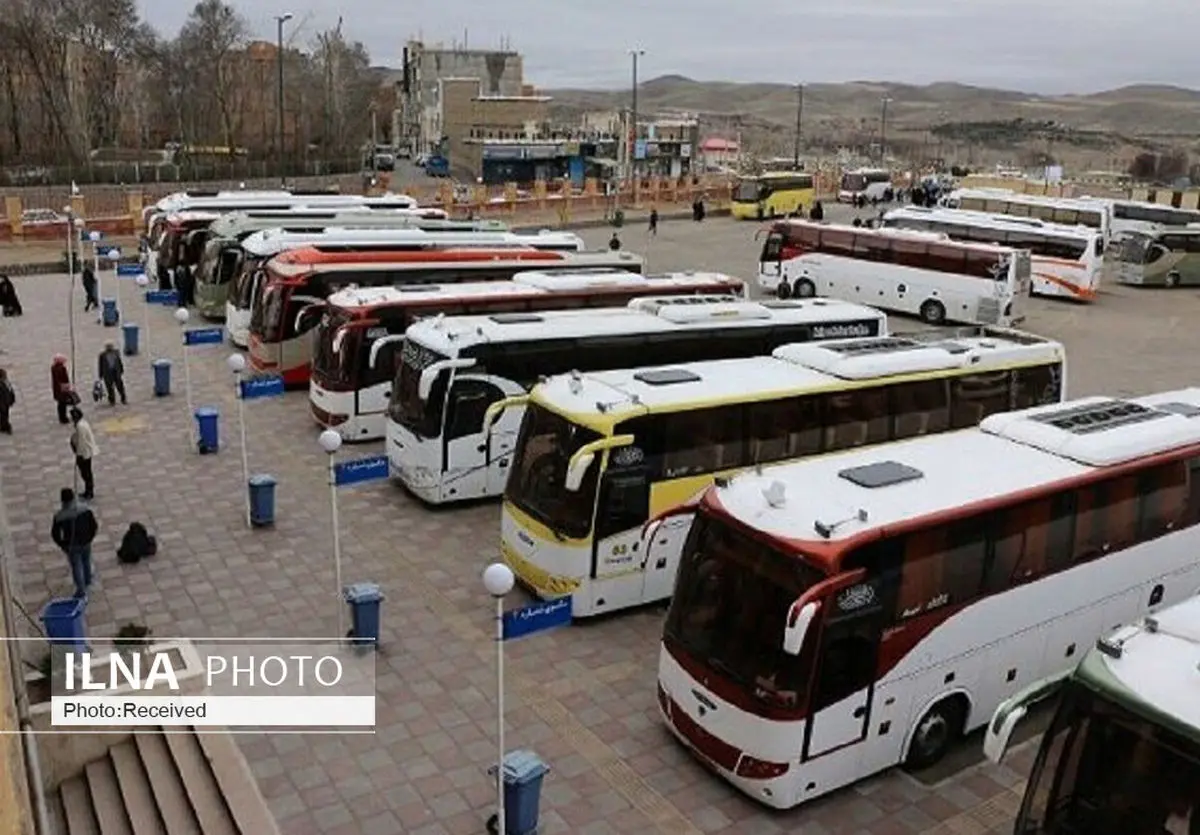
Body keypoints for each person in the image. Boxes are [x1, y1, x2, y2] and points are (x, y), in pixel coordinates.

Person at [51, 487, 97, 598]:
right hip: (86, 542)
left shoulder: (60, 516)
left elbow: (55, 534)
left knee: (77, 566)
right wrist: (90, 538)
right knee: (86, 560)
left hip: (72, 545)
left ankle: (81, 590)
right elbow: (94, 525)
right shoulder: (85, 509)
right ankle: (87, 581)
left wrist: (63, 545)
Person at [69, 407, 97, 499]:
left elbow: (81, 442)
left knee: (86, 472)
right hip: (85, 451)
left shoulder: (80, 426)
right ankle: (88, 489)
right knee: (86, 472)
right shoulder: (82, 423)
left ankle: (89, 491)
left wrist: (78, 454)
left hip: (84, 453)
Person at [51, 355, 73, 424]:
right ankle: (63, 418)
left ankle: (62, 417)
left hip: (57, 389)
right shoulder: (61, 368)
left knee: (61, 404)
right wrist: (67, 386)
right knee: (62, 404)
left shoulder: (54, 367)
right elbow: (63, 379)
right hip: (62, 389)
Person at [0, 369, 13, 434]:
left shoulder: (7, 383)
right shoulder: (2, 385)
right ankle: (6, 426)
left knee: (5, 415)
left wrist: (12, 399)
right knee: (4, 415)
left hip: (6, 403)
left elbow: (11, 391)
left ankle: (3, 426)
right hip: (3, 404)